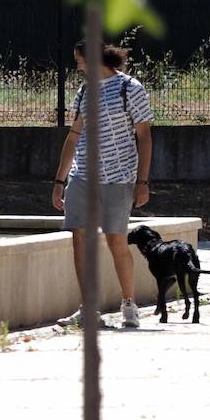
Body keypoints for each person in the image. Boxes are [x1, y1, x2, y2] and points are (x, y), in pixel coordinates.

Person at [52, 41, 155, 328]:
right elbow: (74, 135)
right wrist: (60, 181)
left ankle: (129, 304)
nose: (78, 67)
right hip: (82, 175)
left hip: (118, 176)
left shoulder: (129, 88)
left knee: (116, 240)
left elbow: (145, 136)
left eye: (79, 61)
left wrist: (142, 181)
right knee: (80, 240)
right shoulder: (85, 91)